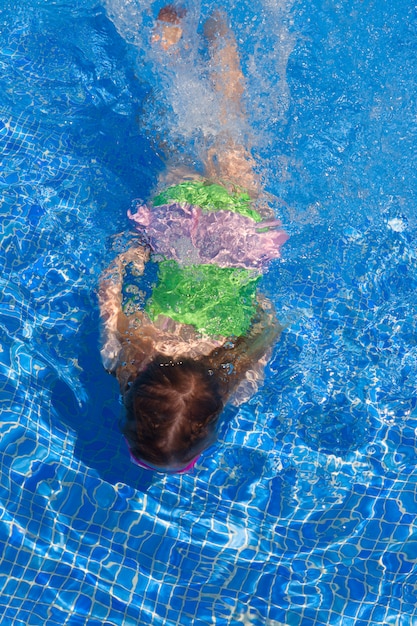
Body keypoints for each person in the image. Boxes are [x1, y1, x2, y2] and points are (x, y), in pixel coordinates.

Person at [98, 7, 288, 474]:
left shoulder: (239, 376)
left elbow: (269, 319)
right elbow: (109, 293)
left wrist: (254, 297)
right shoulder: (126, 354)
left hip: (241, 241)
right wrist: (129, 257)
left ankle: (220, 30)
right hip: (179, 226)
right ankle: (171, 48)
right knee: (177, 138)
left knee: (232, 129)